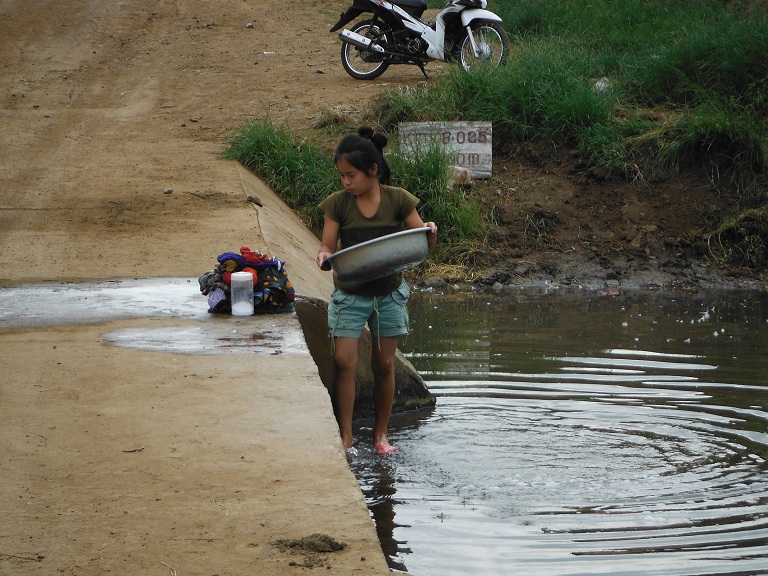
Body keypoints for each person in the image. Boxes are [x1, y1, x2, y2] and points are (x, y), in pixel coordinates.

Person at [316, 127, 437, 456]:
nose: (345, 182)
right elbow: (328, 244)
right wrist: (325, 255)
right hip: (350, 293)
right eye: (341, 176)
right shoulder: (338, 205)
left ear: (372, 171)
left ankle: (381, 437)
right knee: (344, 361)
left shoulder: (398, 199)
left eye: (351, 175)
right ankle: (345, 437)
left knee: (384, 365)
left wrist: (431, 232)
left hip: (388, 293)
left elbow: (419, 239)